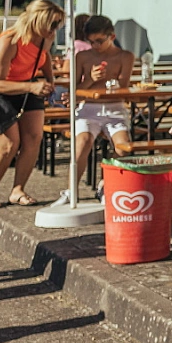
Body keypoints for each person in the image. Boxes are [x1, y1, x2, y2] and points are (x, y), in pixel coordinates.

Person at [0, 0, 66, 209]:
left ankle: (18, 190)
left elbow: (44, 56)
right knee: (9, 145)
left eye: (58, 24)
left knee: (34, 138)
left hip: (28, 85)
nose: (55, 29)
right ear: (37, 20)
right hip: (0, 90)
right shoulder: (10, 41)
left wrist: (50, 80)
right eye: (52, 24)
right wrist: (32, 87)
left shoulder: (45, 37)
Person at [64, 15, 135, 203]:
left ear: (112, 36)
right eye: (91, 41)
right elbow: (74, 93)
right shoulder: (83, 57)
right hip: (89, 108)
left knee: (123, 147)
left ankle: (106, 184)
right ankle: (71, 191)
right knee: (82, 143)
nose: (95, 45)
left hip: (114, 108)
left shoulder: (125, 57)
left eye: (99, 41)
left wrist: (111, 84)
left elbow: (123, 89)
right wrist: (91, 79)